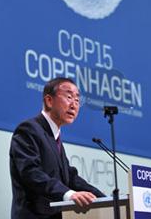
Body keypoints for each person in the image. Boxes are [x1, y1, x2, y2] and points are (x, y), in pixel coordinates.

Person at [9, 77, 105, 219]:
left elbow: (71, 178)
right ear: (49, 101)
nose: (74, 105)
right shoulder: (28, 129)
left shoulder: (54, 136)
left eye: (77, 100)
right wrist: (69, 194)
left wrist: (104, 198)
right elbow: (31, 172)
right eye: (69, 97)